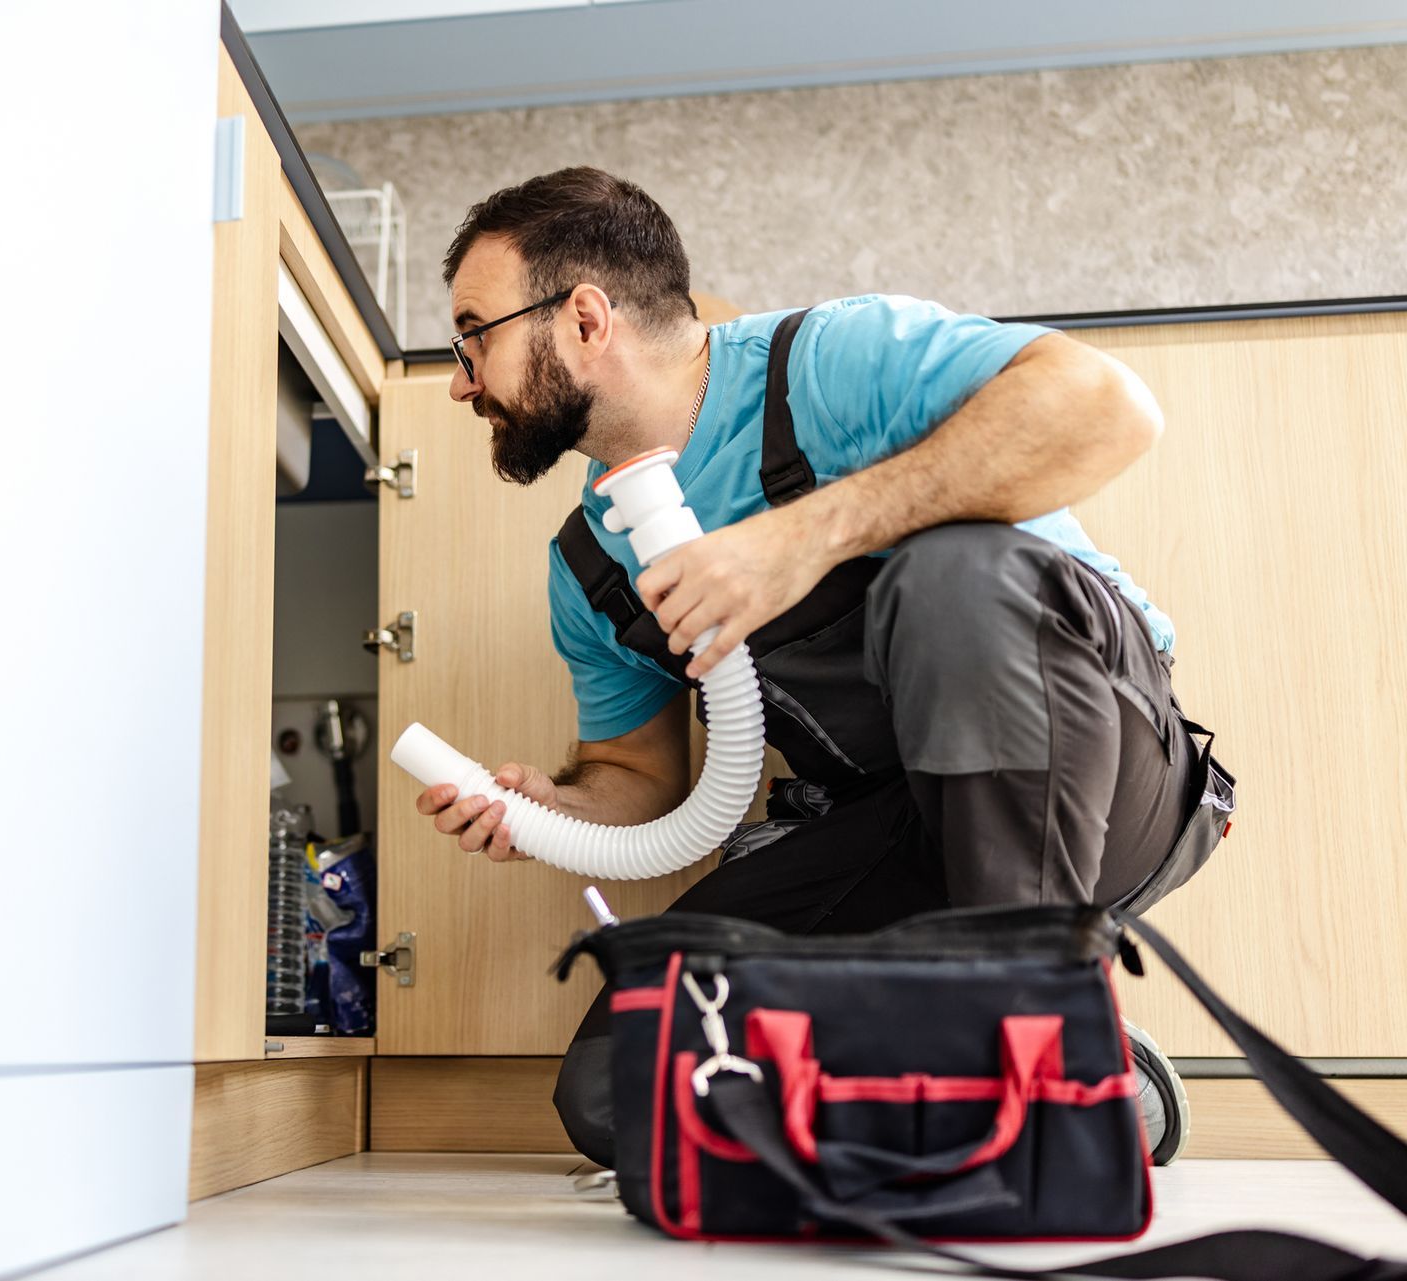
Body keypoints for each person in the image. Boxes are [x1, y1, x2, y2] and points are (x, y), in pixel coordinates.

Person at [414, 166, 1231, 1169]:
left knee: (954, 570)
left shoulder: (830, 366)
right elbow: (639, 779)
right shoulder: (590, 571)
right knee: (625, 1089)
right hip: (894, 832)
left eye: (474, 334)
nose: (459, 379)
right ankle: (1058, 1087)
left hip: (1099, 780)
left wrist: (801, 539)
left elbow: (1110, 410)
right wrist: (551, 812)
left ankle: (1032, 1022)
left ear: (584, 319)